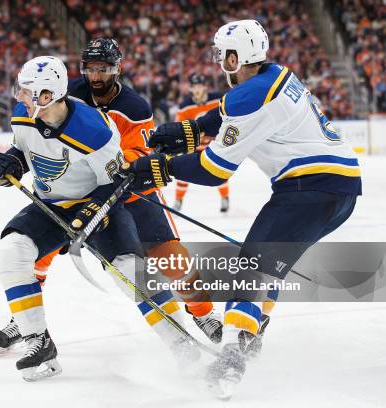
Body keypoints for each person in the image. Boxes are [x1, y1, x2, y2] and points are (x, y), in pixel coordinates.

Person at [123, 19, 361, 398]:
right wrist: (190, 130)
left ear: (238, 57)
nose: (219, 61)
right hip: (338, 188)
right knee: (270, 266)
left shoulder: (252, 97)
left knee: (251, 266)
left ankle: (232, 355)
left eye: (223, 54)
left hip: (309, 189)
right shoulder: (275, 74)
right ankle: (250, 332)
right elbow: (223, 113)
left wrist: (161, 168)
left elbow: (215, 169)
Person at [0, 39, 222, 359]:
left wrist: (112, 166)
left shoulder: (135, 107)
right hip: (81, 191)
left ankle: (203, 312)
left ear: (117, 68)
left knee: (171, 259)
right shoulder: (65, 93)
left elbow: (140, 153)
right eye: (90, 68)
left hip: (131, 191)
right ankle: (25, 319)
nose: (96, 76)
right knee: (34, 253)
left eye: (103, 69)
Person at [174, 74, 229, 212]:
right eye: (194, 86)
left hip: (214, 144)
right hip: (194, 145)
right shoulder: (185, 106)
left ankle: (225, 198)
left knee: (219, 170)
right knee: (183, 171)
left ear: (205, 87)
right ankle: (178, 200)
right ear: (191, 89)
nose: (197, 89)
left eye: (200, 86)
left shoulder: (218, 99)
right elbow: (179, 127)